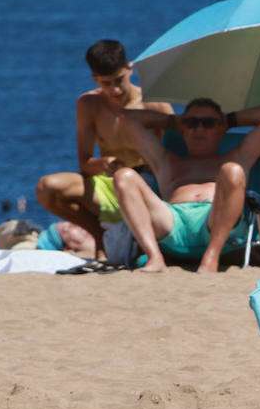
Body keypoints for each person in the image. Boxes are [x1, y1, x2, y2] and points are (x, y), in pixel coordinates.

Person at [34, 40, 174, 257]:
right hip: (108, 185)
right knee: (46, 188)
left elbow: (175, 158)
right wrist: (103, 163)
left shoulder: (153, 103)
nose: (115, 90)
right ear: (95, 80)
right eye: (106, 83)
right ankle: (98, 235)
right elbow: (85, 163)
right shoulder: (89, 105)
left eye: (119, 80)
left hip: (149, 187)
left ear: (130, 69)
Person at [115, 98, 260, 273]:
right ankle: (154, 256)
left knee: (232, 170)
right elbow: (128, 118)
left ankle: (212, 256)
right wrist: (174, 121)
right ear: (182, 128)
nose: (199, 129)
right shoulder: (166, 161)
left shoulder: (238, 156)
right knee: (123, 176)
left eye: (209, 123)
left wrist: (229, 120)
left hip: (215, 219)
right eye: (191, 123)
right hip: (172, 221)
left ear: (221, 128)